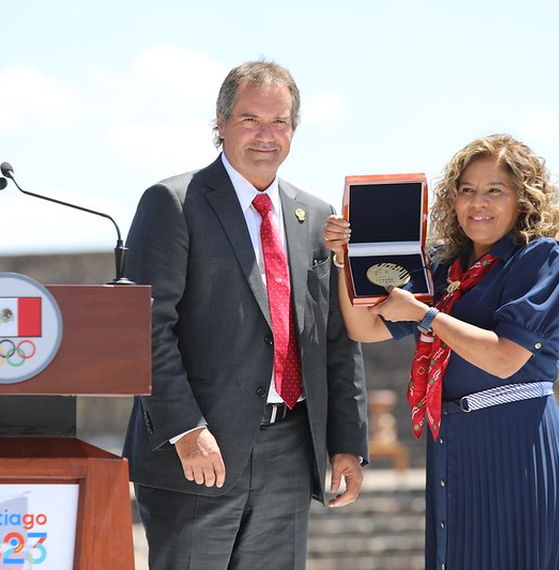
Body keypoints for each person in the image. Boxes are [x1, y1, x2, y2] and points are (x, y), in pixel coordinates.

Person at [122, 59, 369, 570]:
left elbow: (335, 338)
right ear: (220, 122)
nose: (266, 135)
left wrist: (347, 442)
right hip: (197, 452)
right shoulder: (173, 202)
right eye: (249, 119)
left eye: (280, 121)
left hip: (291, 452)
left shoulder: (318, 217)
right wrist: (186, 430)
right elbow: (145, 329)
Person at [324, 134, 559, 569]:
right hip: (456, 446)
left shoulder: (542, 258)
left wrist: (426, 317)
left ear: (524, 199)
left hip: (520, 445)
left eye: (494, 190)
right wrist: (343, 261)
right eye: (467, 190)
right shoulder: (446, 269)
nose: (477, 202)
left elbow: (505, 358)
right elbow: (364, 328)